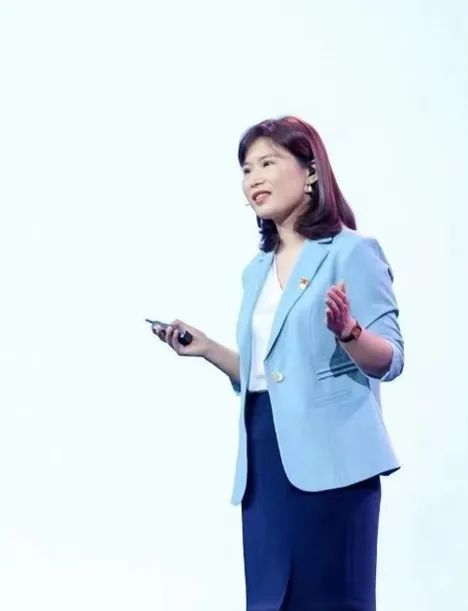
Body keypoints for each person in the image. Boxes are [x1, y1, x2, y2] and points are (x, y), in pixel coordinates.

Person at [150, 116, 404, 611]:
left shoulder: (352, 252)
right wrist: (207, 348)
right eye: (247, 170)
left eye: (268, 163)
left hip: (334, 462)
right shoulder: (256, 271)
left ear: (311, 172)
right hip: (264, 461)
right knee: (271, 601)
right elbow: (269, 374)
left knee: (333, 600)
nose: (254, 179)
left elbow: (390, 360)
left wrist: (349, 332)